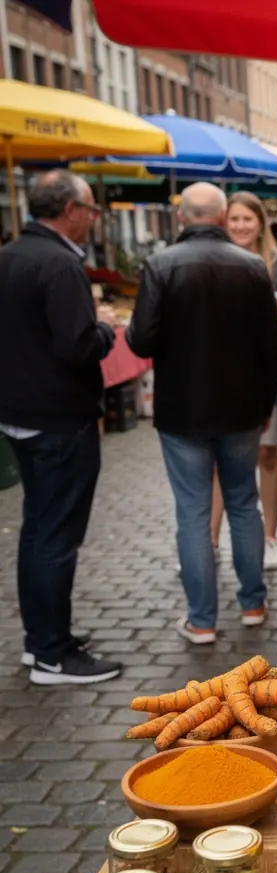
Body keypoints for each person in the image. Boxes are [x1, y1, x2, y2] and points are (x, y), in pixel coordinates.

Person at [127, 183, 277, 643]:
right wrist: (264, 404)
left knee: (194, 511)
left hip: (181, 410)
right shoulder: (253, 267)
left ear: (182, 218)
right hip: (241, 409)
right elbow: (272, 348)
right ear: (220, 217)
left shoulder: (161, 265)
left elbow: (140, 340)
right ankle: (253, 603)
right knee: (243, 504)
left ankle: (202, 620)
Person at [0, 171, 123, 684]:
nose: (93, 218)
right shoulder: (60, 264)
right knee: (55, 536)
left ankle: (41, 640)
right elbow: (78, 345)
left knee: (37, 530)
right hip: (59, 418)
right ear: (70, 210)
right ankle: (53, 654)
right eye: (90, 209)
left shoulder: (9, 254)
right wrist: (104, 326)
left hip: (20, 414)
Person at [217, 191, 277, 571]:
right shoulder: (215, 258)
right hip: (225, 369)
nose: (240, 226)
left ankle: (270, 538)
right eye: (233, 219)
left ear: (259, 223)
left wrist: (275, 304)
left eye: (246, 219)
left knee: (268, 454)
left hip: (271, 368)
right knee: (221, 460)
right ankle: (210, 540)